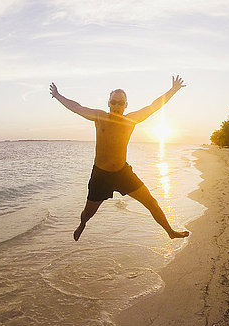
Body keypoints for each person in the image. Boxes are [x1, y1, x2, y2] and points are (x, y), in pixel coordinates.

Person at [49, 75, 190, 241]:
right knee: (88, 213)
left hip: (123, 173)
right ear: (108, 103)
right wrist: (58, 96)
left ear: (126, 105)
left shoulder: (131, 120)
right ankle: (82, 224)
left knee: (151, 202)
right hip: (101, 176)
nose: (116, 106)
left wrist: (173, 90)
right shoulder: (99, 117)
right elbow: (77, 107)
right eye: (113, 102)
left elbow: (153, 107)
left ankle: (170, 232)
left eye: (120, 103)